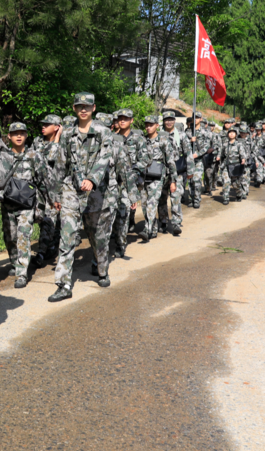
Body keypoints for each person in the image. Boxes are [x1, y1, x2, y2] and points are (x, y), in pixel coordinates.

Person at [48, 92, 115, 302]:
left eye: (87, 106)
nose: (83, 109)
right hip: (71, 190)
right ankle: (63, 284)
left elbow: (105, 158)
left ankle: (102, 269)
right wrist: (57, 192)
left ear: (94, 108)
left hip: (96, 192)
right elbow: (60, 164)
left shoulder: (104, 132)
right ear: (74, 108)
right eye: (79, 106)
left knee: (97, 236)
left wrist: (93, 179)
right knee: (67, 235)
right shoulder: (67, 134)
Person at [2, 122, 49, 288]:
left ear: (27, 135)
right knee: (10, 237)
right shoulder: (3, 156)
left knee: (23, 236)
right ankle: (15, 263)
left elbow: (43, 179)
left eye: (22, 132)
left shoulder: (34, 156)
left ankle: (22, 273)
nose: (19, 136)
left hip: (26, 205)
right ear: (9, 136)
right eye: (15, 133)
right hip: (8, 204)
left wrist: (48, 200)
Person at [134, 115, 177, 242]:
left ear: (157, 126)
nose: (148, 127)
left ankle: (147, 229)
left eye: (151, 125)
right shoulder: (142, 140)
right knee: (145, 204)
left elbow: (171, 162)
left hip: (158, 176)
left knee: (152, 203)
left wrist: (173, 181)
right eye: (146, 125)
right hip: (144, 176)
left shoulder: (164, 140)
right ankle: (152, 229)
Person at [110, 108, 143, 258]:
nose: (122, 121)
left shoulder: (138, 139)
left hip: (127, 181)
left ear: (131, 120)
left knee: (123, 213)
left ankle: (120, 244)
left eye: (126, 118)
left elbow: (146, 159)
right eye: (120, 118)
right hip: (110, 182)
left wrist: (135, 171)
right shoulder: (110, 138)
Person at [34, 114, 63, 263]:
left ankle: (44, 251)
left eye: (47, 124)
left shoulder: (63, 143)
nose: (43, 127)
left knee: (54, 220)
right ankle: (44, 251)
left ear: (57, 127)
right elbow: (44, 161)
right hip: (40, 187)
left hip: (57, 188)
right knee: (44, 219)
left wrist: (57, 140)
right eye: (43, 124)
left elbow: (54, 158)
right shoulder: (37, 142)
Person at [159, 110, 191, 236]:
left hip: (176, 171)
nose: (169, 122)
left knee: (176, 197)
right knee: (162, 198)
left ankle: (176, 223)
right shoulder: (159, 135)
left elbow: (188, 153)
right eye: (166, 119)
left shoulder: (181, 136)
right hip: (161, 171)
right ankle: (163, 221)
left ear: (174, 121)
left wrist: (190, 170)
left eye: (171, 119)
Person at [186, 111, 211, 209]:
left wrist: (197, 154)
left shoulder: (205, 132)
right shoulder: (188, 131)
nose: (195, 119)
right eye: (194, 117)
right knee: (190, 180)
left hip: (198, 160)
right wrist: (189, 140)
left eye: (197, 117)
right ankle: (191, 198)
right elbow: (183, 143)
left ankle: (197, 199)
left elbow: (206, 146)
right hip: (189, 160)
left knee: (196, 179)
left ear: (201, 119)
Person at [219, 127, 247, 204]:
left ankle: (239, 194)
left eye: (233, 132)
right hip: (226, 166)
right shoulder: (225, 144)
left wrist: (243, 160)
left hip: (235, 166)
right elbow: (221, 155)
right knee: (226, 181)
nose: (231, 134)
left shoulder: (239, 144)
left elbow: (242, 154)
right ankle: (225, 198)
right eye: (230, 132)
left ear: (236, 134)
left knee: (235, 183)